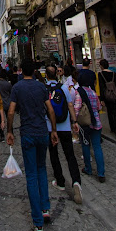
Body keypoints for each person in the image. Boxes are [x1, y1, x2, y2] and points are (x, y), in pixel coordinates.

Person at [7, 59, 59, 231]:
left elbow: (12, 111)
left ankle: (38, 223)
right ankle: (45, 208)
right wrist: (53, 130)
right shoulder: (42, 87)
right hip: (42, 132)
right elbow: (50, 110)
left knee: (31, 176)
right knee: (42, 170)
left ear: (22, 71)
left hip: (28, 133)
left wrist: (9, 131)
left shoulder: (18, 88)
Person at [45, 66, 82, 204]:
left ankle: (60, 181)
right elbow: (70, 105)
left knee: (54, 154)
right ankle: (76, 182)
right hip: (65, 126)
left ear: (47, 76)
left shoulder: (45, 89)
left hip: (50, 127)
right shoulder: (64, 87)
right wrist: (74, 122)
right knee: (70, 155)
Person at [74, 75, 105, 182]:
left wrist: (74, 121)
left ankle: (88, 168)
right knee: (97, 147)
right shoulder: (93, 92)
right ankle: (101, 173)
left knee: (85, 145)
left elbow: (77, 108)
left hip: (86, 123)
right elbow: (98, 107)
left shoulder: (79, 92)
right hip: (96, 122)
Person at [98, 59, 116, 139]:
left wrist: (102, 99)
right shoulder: (113, 74)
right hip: (114, 96)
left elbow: (101, 87)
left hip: (107, 96)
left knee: (110, 112)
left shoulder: (101, 74)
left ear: (101, 66)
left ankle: (113, 128)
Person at [0, 69, 12, 142]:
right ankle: (10, 132)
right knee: (9, 119)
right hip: (7, 103)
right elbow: (11, 93)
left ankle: (2, 135)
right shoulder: (8, 84)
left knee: (1, 120)